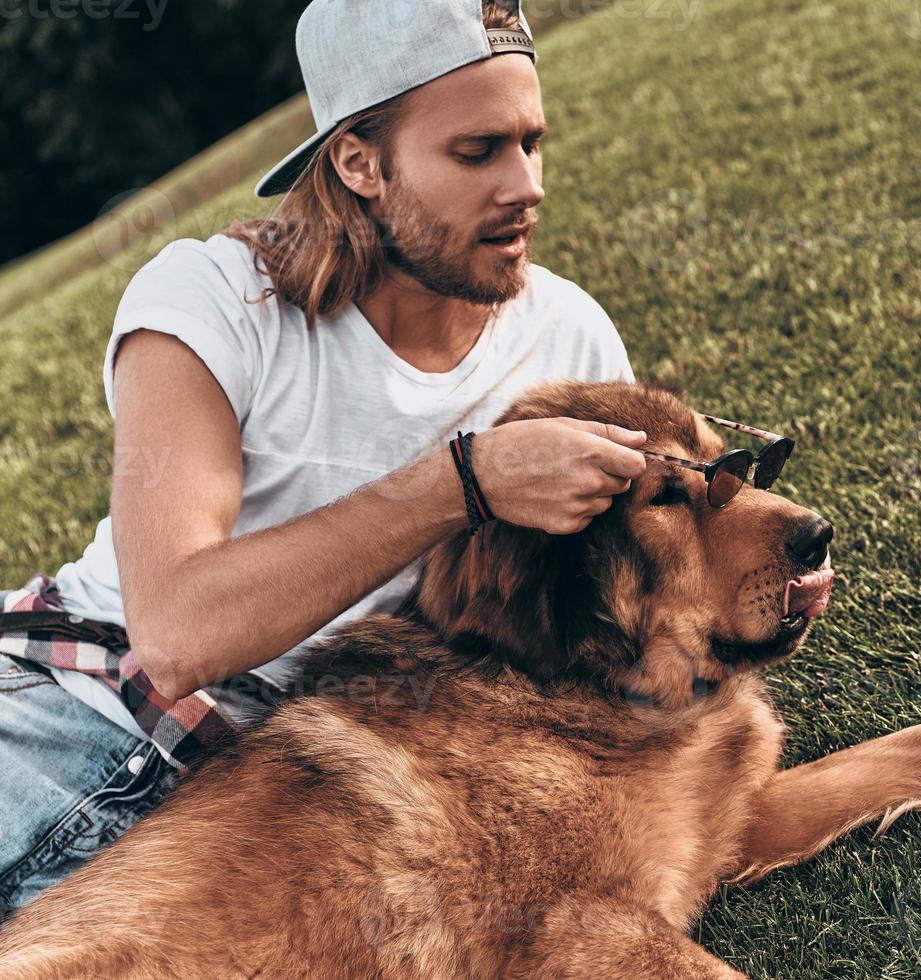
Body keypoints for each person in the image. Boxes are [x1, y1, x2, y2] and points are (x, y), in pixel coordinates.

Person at [0, 0, 649, 922]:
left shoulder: (569, 340)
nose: (527, 183)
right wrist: (464, 481)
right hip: (67, 712)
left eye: (531, 143)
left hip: (288, 797)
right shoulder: (215, 302)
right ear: (358, 163)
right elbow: (179, 634)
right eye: (478, 152)